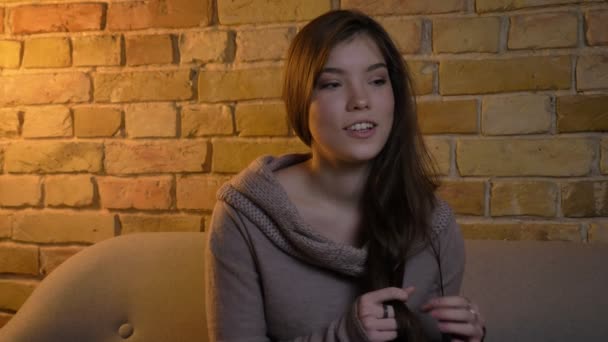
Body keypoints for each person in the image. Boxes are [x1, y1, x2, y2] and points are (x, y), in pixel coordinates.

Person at [205, 9, 486, 342]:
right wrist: (345, 336)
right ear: (301, 102)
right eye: (333, 84)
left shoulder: (434, 225)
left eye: (377, 80)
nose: (360, 100)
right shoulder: (244, 217)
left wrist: (470, 338)